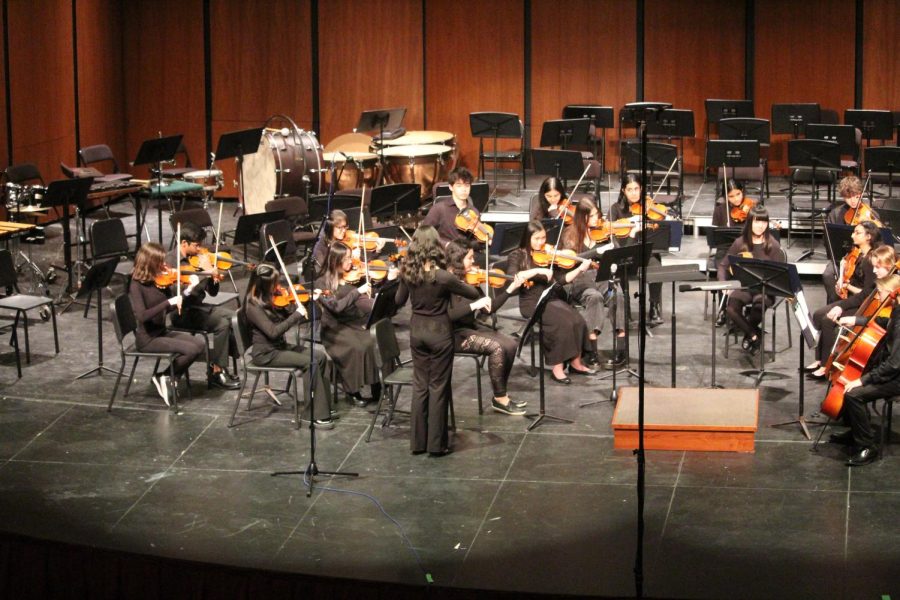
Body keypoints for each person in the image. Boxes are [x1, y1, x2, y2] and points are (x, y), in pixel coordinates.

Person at [395, 226, 482, 455]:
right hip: (440, 333)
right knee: (438, 387)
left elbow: (398, 300)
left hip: (417, 333)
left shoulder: (408, 272)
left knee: (420, 386)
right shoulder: (443, 277)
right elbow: (473, 294)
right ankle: (436, 445)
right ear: (435, 247)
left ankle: (418, 443)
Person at [242, 263, 335, 428]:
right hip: (266, 354)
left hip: (279, 347)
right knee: (310, 363)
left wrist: (305, 302)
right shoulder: (252, 306)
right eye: (274, 284)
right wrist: (296, 315)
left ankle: (323, 405)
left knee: (320, 357)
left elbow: (287, 314)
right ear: (263, 286)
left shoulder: (270, 298)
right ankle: (313, 414)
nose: (278, 287)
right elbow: (273, 332)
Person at [502, 220, 594, 384]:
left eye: (543, 238)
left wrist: (579, 269)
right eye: (536, 239)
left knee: (577, 319)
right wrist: (537, 270)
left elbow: (560, 281)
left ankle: (575, 362)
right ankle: (557, 368)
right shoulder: (517, 255)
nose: (541, 242)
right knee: (561, 322)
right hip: (531, 301)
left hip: (551, 297)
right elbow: (512, 278)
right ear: (527, 238)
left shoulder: (549, 255)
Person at [445, 239, 526, 415]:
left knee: (511, 345)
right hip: (453, 333)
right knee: (496, 348)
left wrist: (511, 288)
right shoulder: (446, 282)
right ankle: (500, 398)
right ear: (458, 259)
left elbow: (490, 308)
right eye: (469, 258)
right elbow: (448, 316)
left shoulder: (469, 280)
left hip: (470, 327)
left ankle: (501, 394)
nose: (473, 262)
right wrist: (473, 306)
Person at [315, 242, 395, 407]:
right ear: (336, 261)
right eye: (347, 259)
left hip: (353, 321)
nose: (351, 262)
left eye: (351, 258)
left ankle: (377, 387)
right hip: (334, 329)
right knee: (358, 347)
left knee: (374, 340)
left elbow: (366, 300)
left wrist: (385, 285)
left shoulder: (351, 277)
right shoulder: (321, 283)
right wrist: (356, 291)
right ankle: (352, 391)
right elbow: (336, 308)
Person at [833, 273, 900, 466]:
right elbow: (882, 323)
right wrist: (854, 320)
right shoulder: (896, 311)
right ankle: (856, 431)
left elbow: (895, 364)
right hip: (892, 370)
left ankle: (867, 446)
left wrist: (863, 380)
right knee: (850, 374)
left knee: (854, 393)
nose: (877, 297)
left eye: (880, 293)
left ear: (892, 293)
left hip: (897, 377)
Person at [128, 243, 206, 406]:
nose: (164, 265)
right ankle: (165, 377)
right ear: (150, 263)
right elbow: (142, 316)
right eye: (160, 262)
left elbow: (170, 307)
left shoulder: (159, 281)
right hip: (147, 339)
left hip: (161, 332)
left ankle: (168, 376)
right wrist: (167, 302)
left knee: (199, 343)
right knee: (190, 350)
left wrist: (187, 291)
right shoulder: (136, 285)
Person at [806, 223, 886, 378]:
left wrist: (842, 303)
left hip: (863, 305)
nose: (852, 235)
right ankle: (819, 359)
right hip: (854, 299)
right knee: (817, 315)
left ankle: (825, 366)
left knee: (828, 319)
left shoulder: (871, 261)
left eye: (857, 233)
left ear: (868, 237)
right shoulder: (859, 254)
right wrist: (843, 281)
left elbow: (866, 294)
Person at [168, 221, 240, 390]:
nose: (200, 249)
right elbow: (178, 296)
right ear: (184, 243)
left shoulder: (199, 259)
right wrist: (205, 274)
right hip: (182, 312)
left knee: (236, 318)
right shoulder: (172, 262)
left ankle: (217, 361)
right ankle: (217, 370)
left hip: (200, 307)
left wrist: (213, 278)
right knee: (222, 325)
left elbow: (212, 293)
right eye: (197, 245)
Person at [560, 196, 626, 367]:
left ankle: (621, 347)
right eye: (593, 216)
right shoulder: (570, 234)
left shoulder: (604, 233)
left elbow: (618, 255)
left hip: (601, 278)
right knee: (595, 297)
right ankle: (591, 350)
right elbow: (571, 259)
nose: (598, 219)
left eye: (597, 214)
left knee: (617, 294)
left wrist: (614, 245)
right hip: (580, 281)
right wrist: (595, 252)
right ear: (583, 217)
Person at [716, 205, 784, 354]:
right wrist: (723, 283)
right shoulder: (740, 242)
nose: (760, 226)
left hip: (766, 289)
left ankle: (750, 335)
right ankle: (754, 334)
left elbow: (780, 275)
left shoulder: (773, 245)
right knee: (731, 309)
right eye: (756, 222)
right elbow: (723, 265)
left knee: (758, 308)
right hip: (745, 287)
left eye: (763, 222)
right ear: (749, 222)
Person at [609, 174, 664, 326]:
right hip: (624, 252)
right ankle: (624, 310)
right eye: (630, 189)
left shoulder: (648, 208)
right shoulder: (615, 209)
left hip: (645, 253)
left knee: (657, 269)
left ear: (641, 190)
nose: (634, 193)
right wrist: (632, 227)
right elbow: (611, 234)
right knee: (622, 272)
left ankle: (654, 306)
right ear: (623, 191)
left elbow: (660, 230)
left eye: (637, 189)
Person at [822, 175, 881, 300]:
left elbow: (879, 242)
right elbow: (828, 241)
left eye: (856, 196)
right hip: (843, 257)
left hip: (865, 258)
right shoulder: (835, 214)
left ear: (861, 193)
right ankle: (835, 304)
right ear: (843, 197)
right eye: (848, 197)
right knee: (828, 274)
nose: (853, 201)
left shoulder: (870, 214)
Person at [421, 167, 480, 246]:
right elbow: (423, 233)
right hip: (444, 255)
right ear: (451, 187)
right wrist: (446, 244)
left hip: (466, 255)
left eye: (467, 185)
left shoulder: (474, 212)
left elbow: (475, 240)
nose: (464, 189)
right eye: (459, 186)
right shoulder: (439, 209)